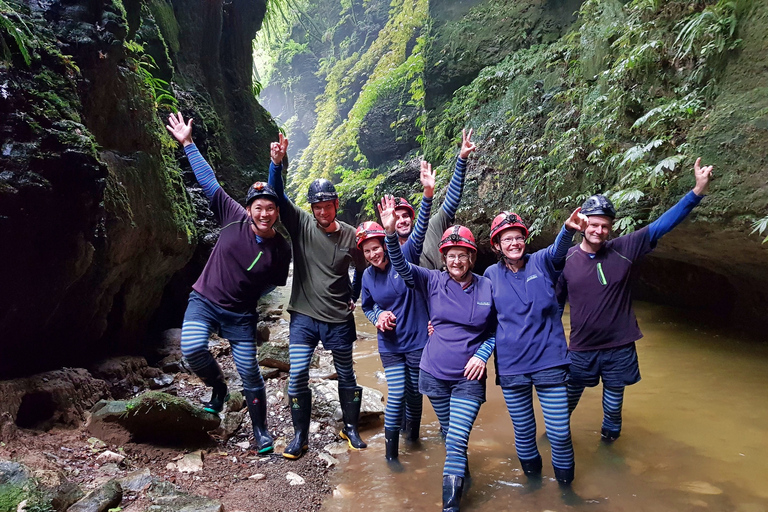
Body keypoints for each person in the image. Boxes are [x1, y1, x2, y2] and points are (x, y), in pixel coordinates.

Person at [557, 158, 714, 442]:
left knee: (614, 411)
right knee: (564, 405)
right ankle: (552, 443)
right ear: (582, 225)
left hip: (619, 347)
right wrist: (553, 345)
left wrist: (697, 191)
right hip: (581, 348)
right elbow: (554, 307)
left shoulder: (624, 248)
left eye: (605, 226)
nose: (599, 231)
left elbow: (662, 225)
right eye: (593, 225)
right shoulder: (564, 259)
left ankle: (609, 455)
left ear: (611, 228)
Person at [166, 113, 291, 454]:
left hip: (240, 316)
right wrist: (188, 143)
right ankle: (218, 389)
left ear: (276, 213)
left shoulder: (281, 248)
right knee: (191, 348)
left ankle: (261, 430)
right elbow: (209, 181)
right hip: (204, 299)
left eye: (270, 208)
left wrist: (247, 297)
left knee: (250, 372)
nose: (264, 213)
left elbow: (272, 284)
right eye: (258, 207)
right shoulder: (232, 216)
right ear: (249, 208)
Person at [379, 195, 495, 512]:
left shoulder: (487, 287)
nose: (457, 261)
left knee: (456, 439)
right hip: (432, 374)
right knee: (449, 435)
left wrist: (482, 354)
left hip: (469, 376)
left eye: (463, 255)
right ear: (443, 257)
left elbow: (497, 330)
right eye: (451, 255)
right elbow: (401, 265)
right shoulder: (431, 280)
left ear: (472, 257)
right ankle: (463, 478)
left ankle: (449, 507)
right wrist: (390, 233)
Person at [267, 135, 369, 459]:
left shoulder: (352, 235)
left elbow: (364, 266)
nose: (323, 211)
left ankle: (350, 428)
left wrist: (357, 294)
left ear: (336, 205)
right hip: (304, 315)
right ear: (311, 208)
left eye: (328, 205)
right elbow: (277, 196)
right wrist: (276, 163)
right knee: (297, 373)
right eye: (318, 206)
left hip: (339, 317)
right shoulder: (300, 224)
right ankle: (300, 436)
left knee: (347, 373)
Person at [484, 208, 587, 485]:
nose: (514, 243)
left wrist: (568, 230)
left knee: (559, 432)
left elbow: (557, 251)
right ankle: (534, 487)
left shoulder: (541, 262)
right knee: (524, 432)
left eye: (518, 237)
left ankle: (567, 493)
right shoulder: (490, 274)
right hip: (512, 365)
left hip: (549, 361)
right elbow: (480, 313)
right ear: (496, 245)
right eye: (506, 239)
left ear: (525, 240)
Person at [359, 163, 435, 466]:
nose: (373, 254)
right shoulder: (366, 277)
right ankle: (392, 455)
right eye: (367, 251)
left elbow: (420, 229)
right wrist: (377, 316)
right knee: (398, 391)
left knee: (416, 395)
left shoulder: (404, 258)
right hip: (390, 345)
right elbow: (366, 305)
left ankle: (412, 438)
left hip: (417, 341)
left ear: (383, 245)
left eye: (376, 248)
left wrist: (427, 193)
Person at [393, 129, 476, 270]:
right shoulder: (389, 251)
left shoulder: (431, 227)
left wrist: (462, 159)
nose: (402, 221)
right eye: (397, 218)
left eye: (405, 216)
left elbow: (451, 202)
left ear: (412, 218)